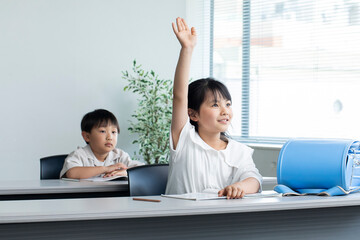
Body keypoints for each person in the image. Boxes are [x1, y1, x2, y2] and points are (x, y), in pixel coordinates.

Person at [165, 17, 262, 199]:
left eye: (227, 104)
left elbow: (254, 179)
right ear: (193, 114)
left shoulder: (238, 151)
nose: (225, 111)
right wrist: (187, 49)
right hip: (179, 221)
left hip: (219, 222)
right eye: (215, 105)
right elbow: (179, 97)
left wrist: (240, 186)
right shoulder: (185, 139)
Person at [60, 109, 143, 179]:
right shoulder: (79, 155)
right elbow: (72, 173)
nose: (110, 137)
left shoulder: (119, 155)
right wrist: (106, 169)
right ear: (87, 136)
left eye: (113, 132)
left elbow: (143, 170)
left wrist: (125, 172)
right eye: (103, 131)